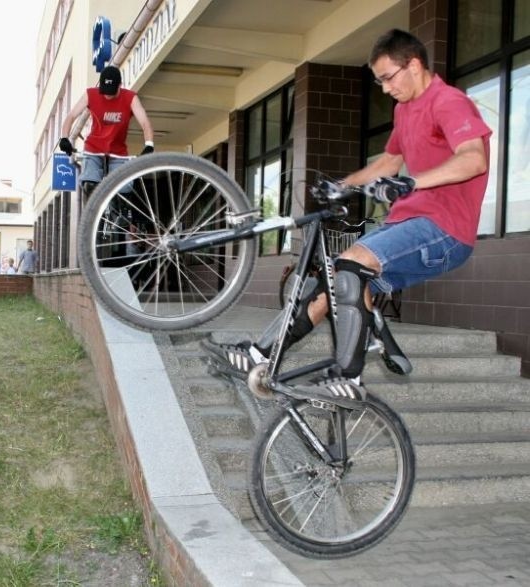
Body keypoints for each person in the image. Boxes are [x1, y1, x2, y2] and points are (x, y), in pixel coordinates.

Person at [204, 28, 491, 383]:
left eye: (388, 77)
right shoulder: (405, 110)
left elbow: (474, 159)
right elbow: (389, 162)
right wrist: (343, 185)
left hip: (443, 229)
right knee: (331, 283)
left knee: (351, 264)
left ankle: (349, 376)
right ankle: (260, 354)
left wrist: (411, 182)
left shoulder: (448, 102)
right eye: (379, 81)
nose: (385, 88)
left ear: (414, 65)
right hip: (409, 223)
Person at [58, 65, 154, 200]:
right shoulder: (91, 94)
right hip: (94, 149)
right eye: (105, 91)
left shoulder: (130, 98)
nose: (108, 95)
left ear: (120, 85)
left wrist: (149, 144)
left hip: (118, 152)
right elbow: (71, 116)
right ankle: (96, 216)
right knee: (89, 184)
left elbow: (145, 122)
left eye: (111, 92)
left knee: (123, 190)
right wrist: (64, 138)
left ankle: (119, 216)